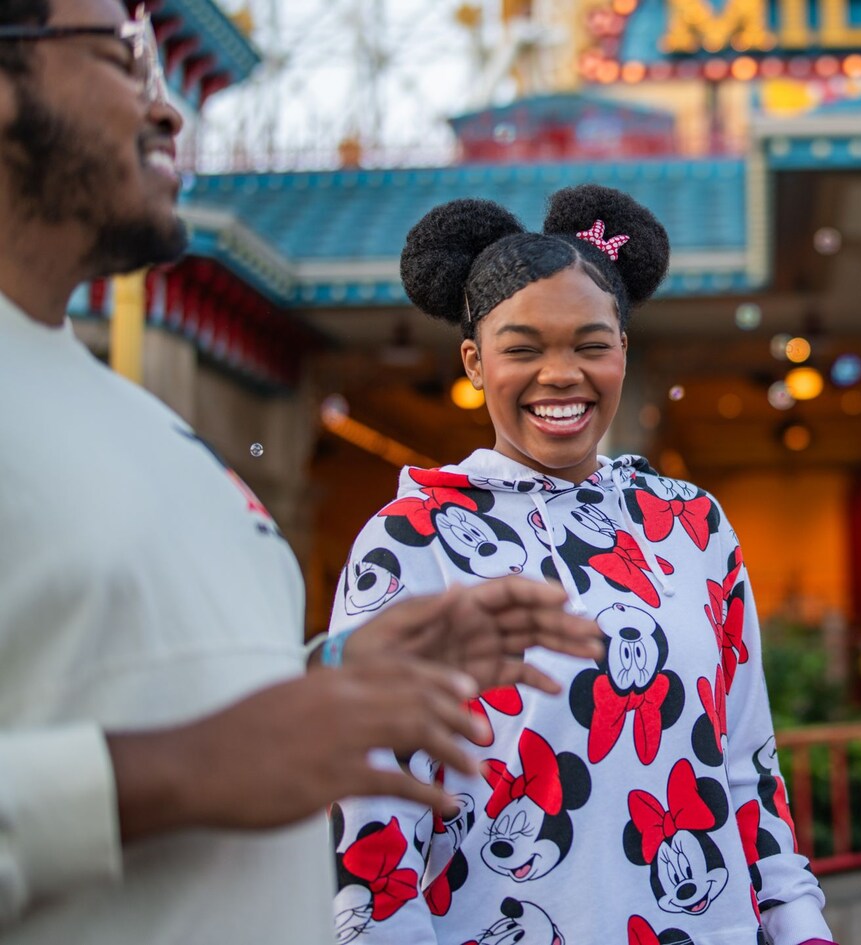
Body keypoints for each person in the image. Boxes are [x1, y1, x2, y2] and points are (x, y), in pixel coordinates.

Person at [0, 1, 605, 941]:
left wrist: (342, 669)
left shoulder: (137, 420)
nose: (169, 113)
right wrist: (185, 769)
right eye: (124, 60)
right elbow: (204, 755)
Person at [324, 184, 836, 945]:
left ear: (623, 350)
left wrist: (799, 924)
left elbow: (746, 764)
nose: (560, 373)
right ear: (473, 361)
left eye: (590, 344)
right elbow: (371, 806)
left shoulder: (692, 524)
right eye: (523, 348)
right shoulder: (412, 541)